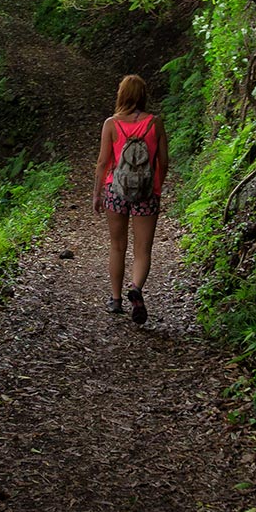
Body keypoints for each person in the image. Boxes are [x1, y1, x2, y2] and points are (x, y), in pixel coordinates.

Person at [92, 74, 169, 324]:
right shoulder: (155, 123)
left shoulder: (111, 124)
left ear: (121, 95)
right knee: (142, 249)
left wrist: (97, 193)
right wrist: (156, 186)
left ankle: (115, 300)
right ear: (143, 95)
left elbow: (103, 162)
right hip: (147, 192)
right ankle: (135, 288)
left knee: (117, 245)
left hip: (116, 190)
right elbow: (163, 161)